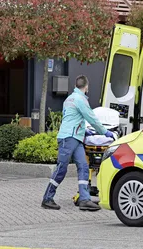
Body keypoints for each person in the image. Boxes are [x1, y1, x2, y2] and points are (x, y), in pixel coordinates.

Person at [41, 75, 114, 211]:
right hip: (69, 138)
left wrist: (84, 131)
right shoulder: (81, 100)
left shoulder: (69, 99)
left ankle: (84, 199)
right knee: (61, 169)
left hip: (74, 138)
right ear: (86, 87)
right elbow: (92, 118)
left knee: (84, 167)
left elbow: (71, 118)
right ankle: (47, 198)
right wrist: (105, 132)